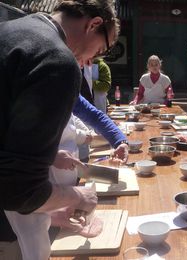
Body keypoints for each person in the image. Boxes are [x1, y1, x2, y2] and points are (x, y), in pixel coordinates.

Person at [0, 0, 120, 258]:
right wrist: (77, 197)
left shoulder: (9, 32)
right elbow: (21, 191)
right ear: (94, 24)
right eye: (99, 51)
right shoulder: (57, 60)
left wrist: (50, 157)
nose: (91, 61)